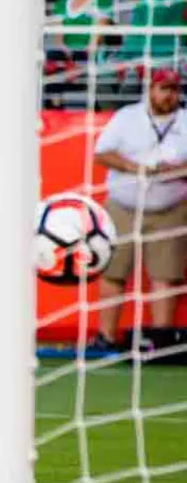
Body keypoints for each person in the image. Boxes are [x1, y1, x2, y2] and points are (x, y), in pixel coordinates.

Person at [91, 71, 186, 351]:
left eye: (173, 89)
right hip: (124, 206)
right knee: (113, 272)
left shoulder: (184, 120)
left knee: (164, 276)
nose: (168, 95)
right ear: (150, 89)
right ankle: (104, 337)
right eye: (163, 88)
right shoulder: (126, 117)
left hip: (170, 207)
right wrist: (136, 168)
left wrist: (176, 171)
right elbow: (102, 153)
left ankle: (161, 340)